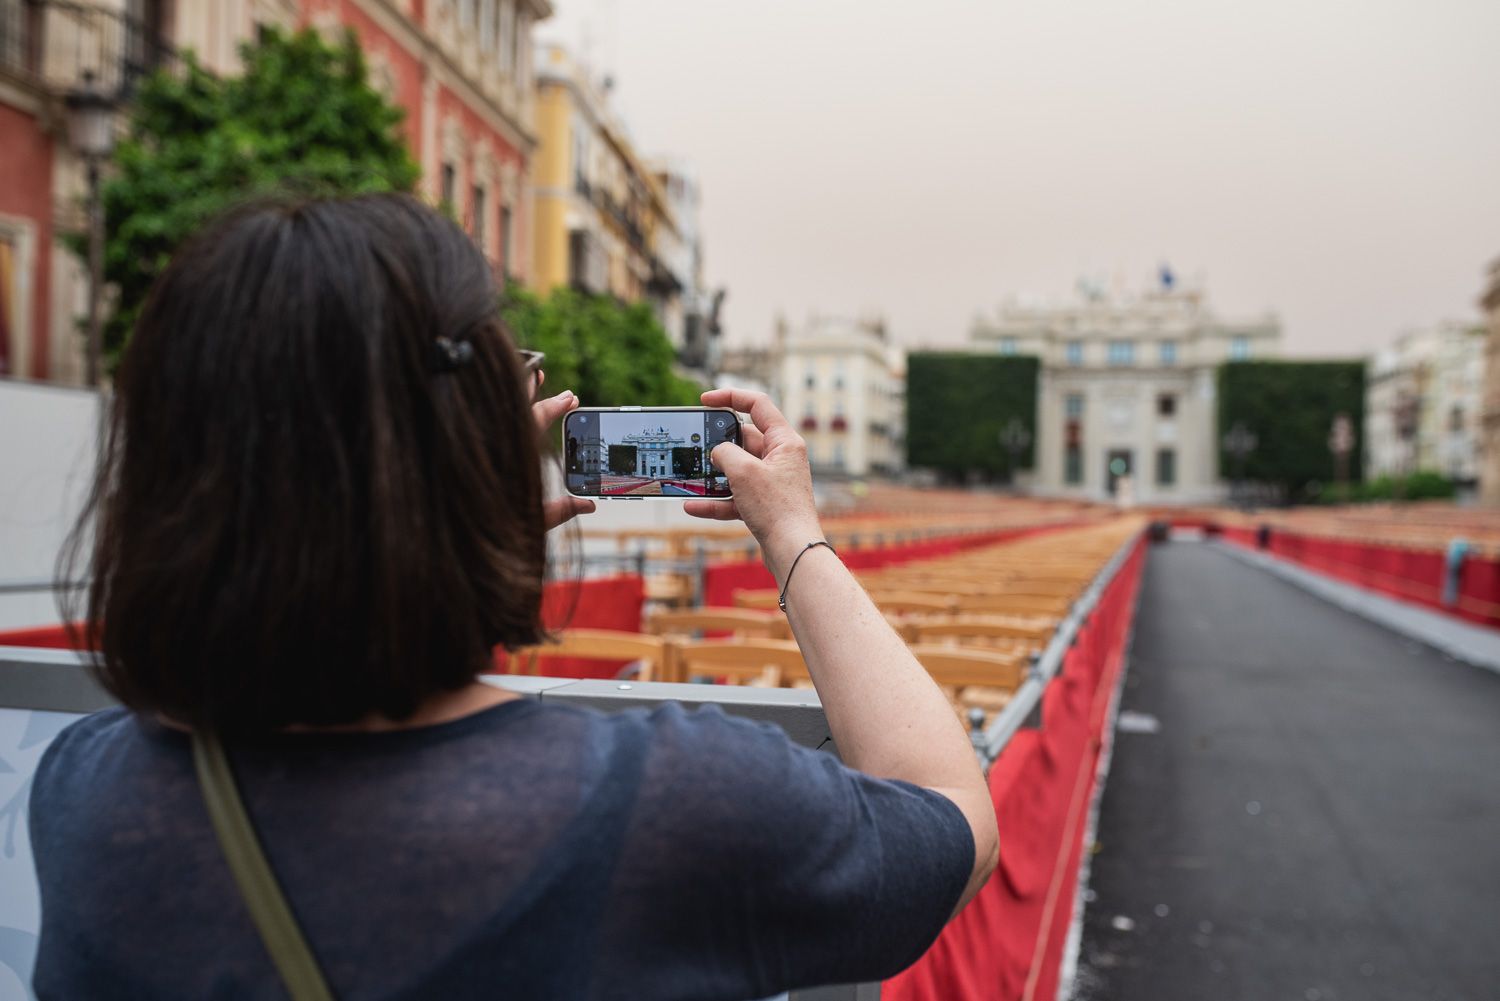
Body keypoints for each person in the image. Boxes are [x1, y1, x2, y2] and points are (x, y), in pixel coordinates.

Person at [30, 194, 997, 1000]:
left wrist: (446, 536)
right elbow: (952, 816)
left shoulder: (86, 794)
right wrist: (794, 534)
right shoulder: (670, 801)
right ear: (475, 445)